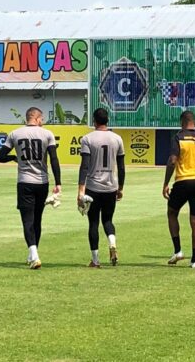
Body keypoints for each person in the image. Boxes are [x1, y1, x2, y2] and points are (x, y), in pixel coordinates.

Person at [0, 107, 61, 270]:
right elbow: (54, 159)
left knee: (27, 220)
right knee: (37, 219)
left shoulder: (15, 134)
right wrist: (58, 182)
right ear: (37, 118)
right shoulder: (47, 134)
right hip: (42, 182)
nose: (43, 121)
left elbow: (0, 157)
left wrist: (13, 157)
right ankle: (33, 253)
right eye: (42, 118)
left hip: (24, 182)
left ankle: (34, 254)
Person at [162, 111, 195, 269]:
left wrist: (165, 183)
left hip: (183, 181)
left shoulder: (179, 137)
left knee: (172, 213)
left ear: (181, 122)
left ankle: (178, 250)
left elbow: (172, 161)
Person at [77, 108, 125, 268]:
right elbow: (122, 166)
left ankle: (95, 260)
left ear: (94, 121)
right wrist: (121, 187)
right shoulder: (117, 138)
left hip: (93, 187)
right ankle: (112, 243)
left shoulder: (87, 139)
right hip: (111, 186)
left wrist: (81, 190)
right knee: (108, 220)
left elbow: (84, 166)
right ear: (107, 120)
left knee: (93, 223)